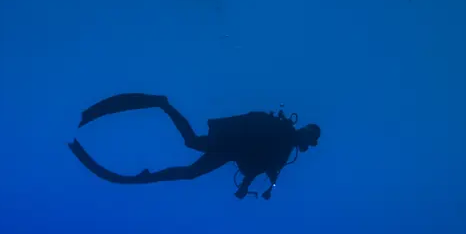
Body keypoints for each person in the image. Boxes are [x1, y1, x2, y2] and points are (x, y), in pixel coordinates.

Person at [67, 92, 321, 200]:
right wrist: (247, 187)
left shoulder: (284, 146)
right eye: (309, 137)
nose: (307, 141)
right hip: (231, 146)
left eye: (310, 140)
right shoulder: (283, 140)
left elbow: (263, 167)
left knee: (190, 156)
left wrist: (249, 188)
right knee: (190, 157)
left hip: (231, 148)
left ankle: (163, 106)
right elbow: (262, 166)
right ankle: (163, 105)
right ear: (305, 135)